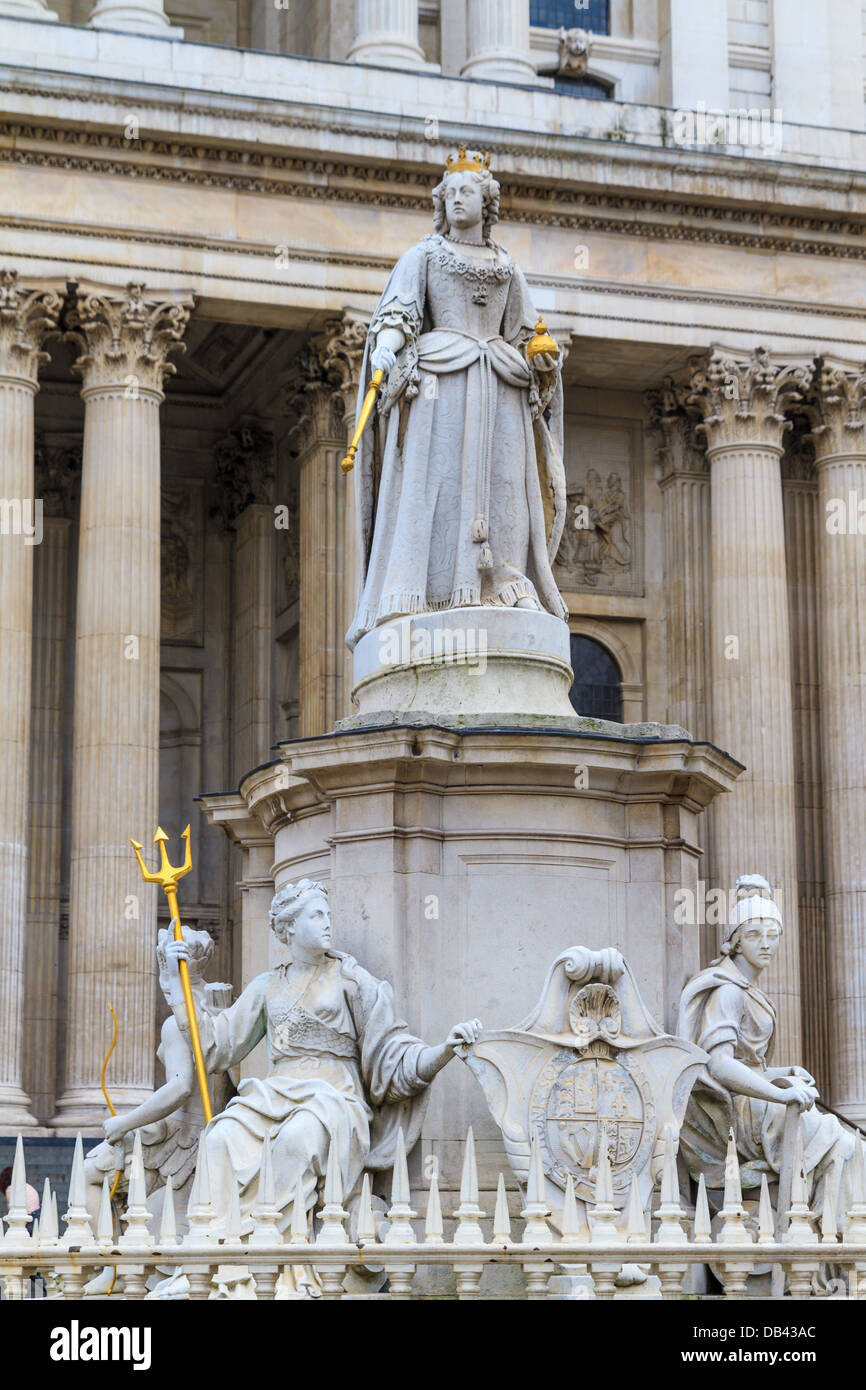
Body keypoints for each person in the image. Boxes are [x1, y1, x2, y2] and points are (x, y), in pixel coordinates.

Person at [165, 879, 482, 1238]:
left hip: (334, 1100)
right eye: (317, 916)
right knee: (219, 1136)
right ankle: (218, 1251)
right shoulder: (266, 986)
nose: (328, 923)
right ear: (289, 928)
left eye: (328, 914)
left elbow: (393, 1055)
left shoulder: (352, 980)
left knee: (298, 1137)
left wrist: (442, 1051)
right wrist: (181, 984)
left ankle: (280, 1256)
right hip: (273, 1096)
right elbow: (216, 1046)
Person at [346, 147, 568, 649]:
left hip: (500, 383)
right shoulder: (422, 256)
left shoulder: (508, 268)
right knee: (435, 482)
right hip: (440, 382)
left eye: (468, 192)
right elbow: (399, 313)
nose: (458, 200)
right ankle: (424, 589)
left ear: (487, 203)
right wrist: (384, 349)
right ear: (440, 203)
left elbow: (528, 333)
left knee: (506, 486)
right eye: (450, 194)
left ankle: (506, 580)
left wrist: (541, 359)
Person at [678, 874, 864, 1226]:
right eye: (754, 935)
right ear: (734, 942)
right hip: (742, 1111)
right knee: (845, 1147)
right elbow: (718, 1065)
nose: (766, 944)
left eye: (773, 935)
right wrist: (782, 1095)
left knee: (845, 1145)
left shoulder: (749, 990)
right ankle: (825, 1234)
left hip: (757, 1102)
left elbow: (746, 1063)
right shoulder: (728, 991)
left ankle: (827, 1236)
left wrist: (785, 1073)